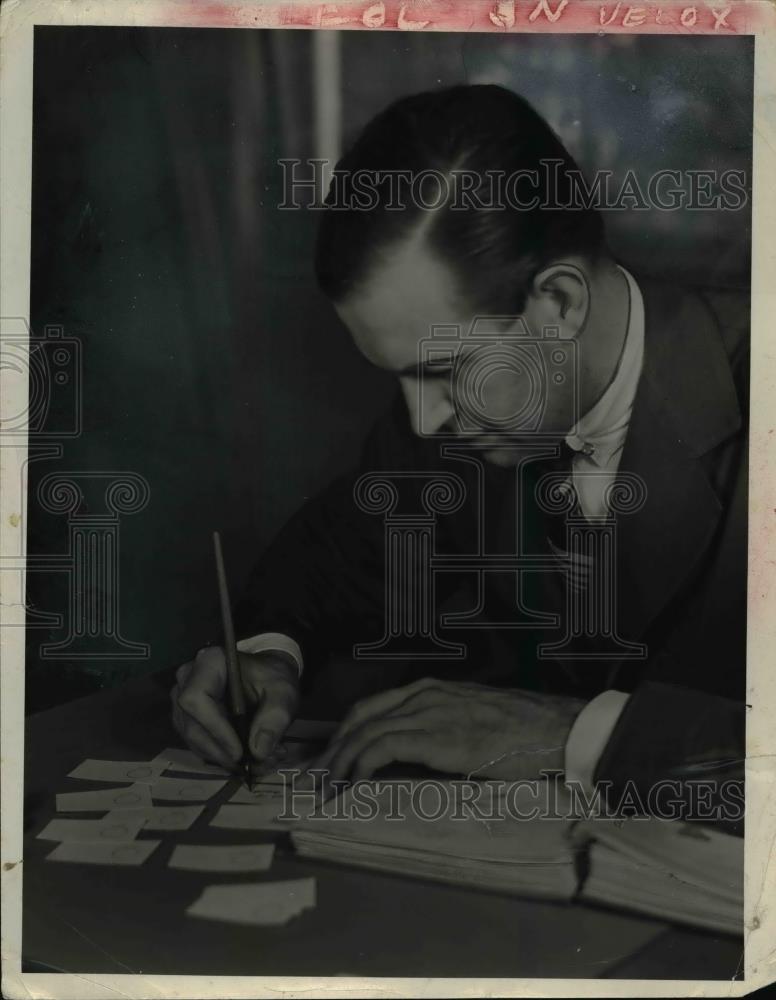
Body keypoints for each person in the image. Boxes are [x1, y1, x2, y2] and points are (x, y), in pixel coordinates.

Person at [170, 85, 747, 818]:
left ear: (560, 302)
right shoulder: (453, 418)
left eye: (443, 370)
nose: (421, 417)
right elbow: (325, 560)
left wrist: (570, 736)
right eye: (403, 377)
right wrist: (265, 655)